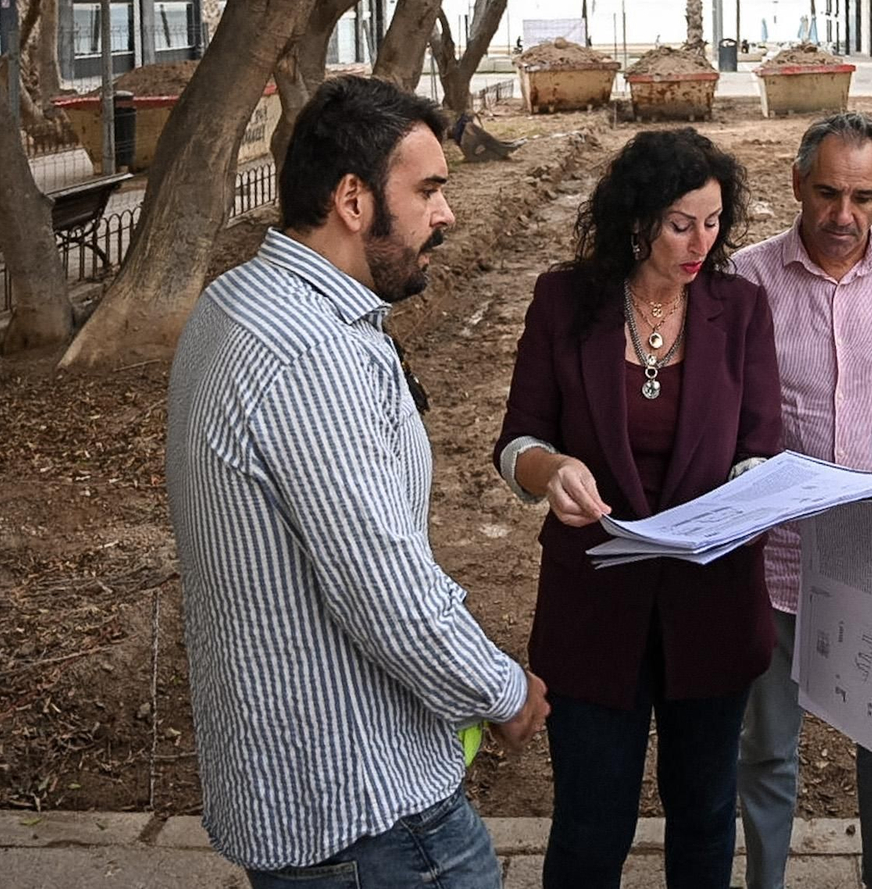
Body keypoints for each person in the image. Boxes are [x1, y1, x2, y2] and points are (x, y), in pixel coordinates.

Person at [166, 76, 549, 889]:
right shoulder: (311, 355)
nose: (445, 215)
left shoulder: (239, 300)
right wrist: (501, 689)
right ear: (353, 199)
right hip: (370, 815)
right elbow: (384, 586)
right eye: (429, 190)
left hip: (300, 794)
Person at [493, 128, 783, 889]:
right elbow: (516, 442)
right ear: (634, 217)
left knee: (704, 816)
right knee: (591, 827)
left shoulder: (741, 309)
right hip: (593, 612)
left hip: (712, 607)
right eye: (680, 223)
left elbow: (761, 444)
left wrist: (747, 486)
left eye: (715, 222)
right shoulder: (565, 301)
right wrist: (550, 469)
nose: (700, 243)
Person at [733, 112, 872, 889]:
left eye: (864, 197)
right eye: (827, 192)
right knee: (765, 747)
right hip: (778, 560)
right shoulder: (747, 279)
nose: (843, 216)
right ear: (796, 182)